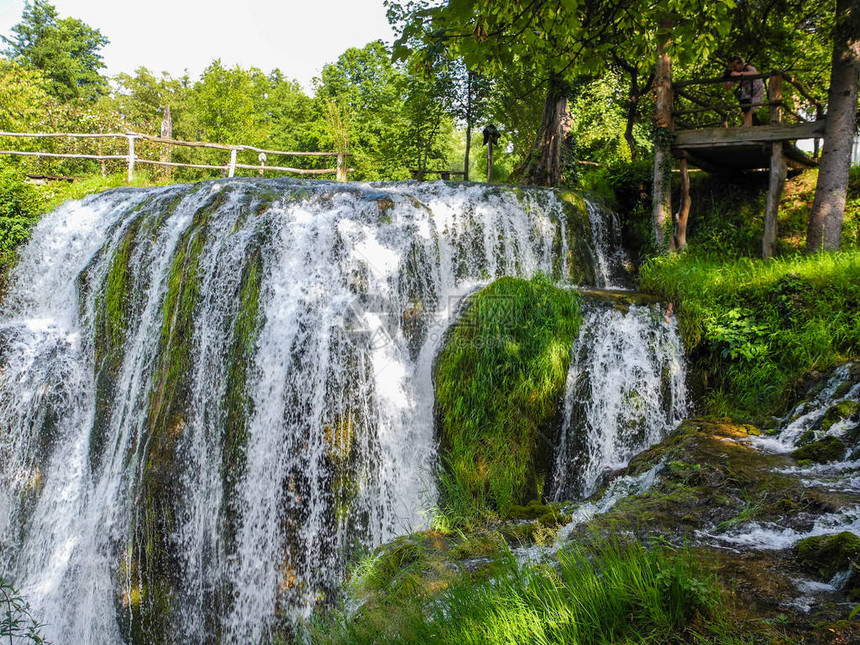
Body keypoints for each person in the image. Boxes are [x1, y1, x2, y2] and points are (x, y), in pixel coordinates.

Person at [723, 56, 764, 127]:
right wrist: (725, 78)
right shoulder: (734, 73)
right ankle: (748, 125)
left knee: (750, 109)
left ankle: (747, 126)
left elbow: (755, 73)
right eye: (731, 67)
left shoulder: (747, 67)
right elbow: (727, 88)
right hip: (747, 93)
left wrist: (740, 74)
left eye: (735, 66)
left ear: (740, 64)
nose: (733, 69)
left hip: (757, 91)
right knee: (745, 109)